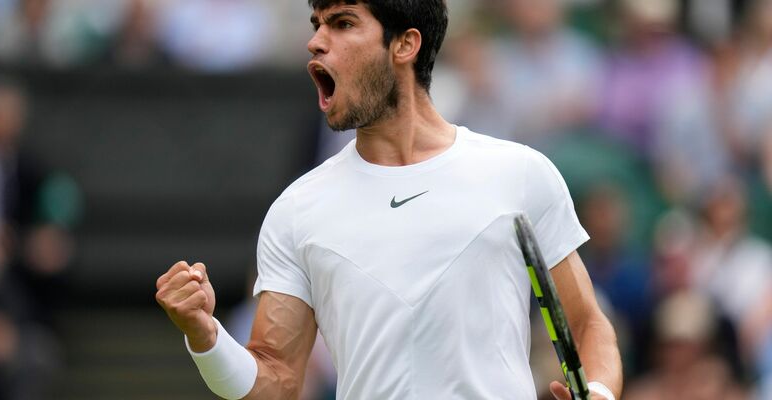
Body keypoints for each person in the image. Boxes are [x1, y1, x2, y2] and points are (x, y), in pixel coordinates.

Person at [155, 1, 622, 399]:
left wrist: (598, 393)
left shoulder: (521, 174)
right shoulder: (296, 211)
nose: (316, 42)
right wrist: (207, 336)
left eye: (342, 24)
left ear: (405, 45)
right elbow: (276, 380)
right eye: (316, 25)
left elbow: (588, 326)